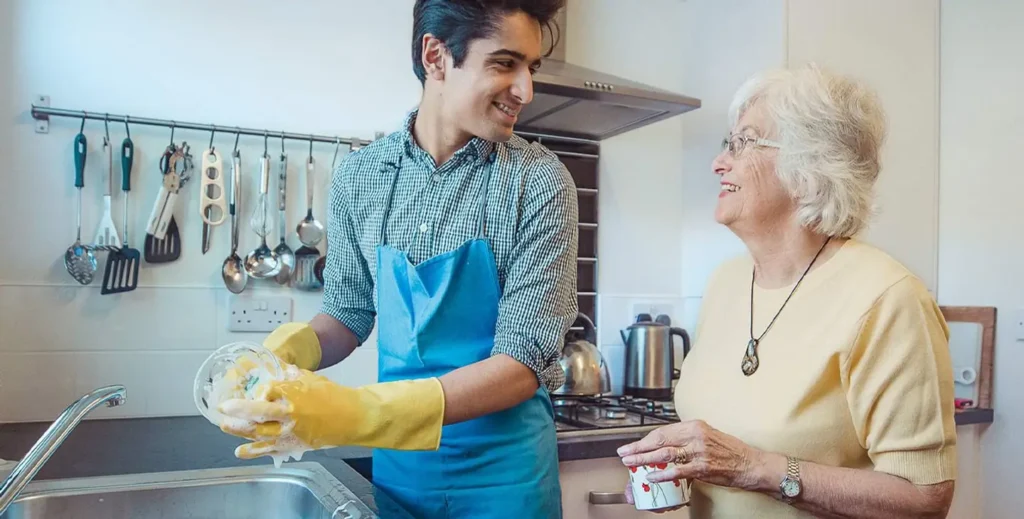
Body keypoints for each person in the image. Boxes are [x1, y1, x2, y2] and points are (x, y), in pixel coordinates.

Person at [216, 1, 576, 518]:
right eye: (504, 63)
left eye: (530, 68)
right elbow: (348, 313)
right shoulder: (360, 177)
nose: (526, 90)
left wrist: (359, 412)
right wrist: (283, 357)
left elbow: (522, 364)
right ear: (436, 56)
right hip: (401, 475)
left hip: (507, 482)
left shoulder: (538, 182)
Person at [616, 64, 957, 518]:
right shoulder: (726, 283)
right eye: (727, 144)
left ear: (811, 163)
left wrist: (755, 469)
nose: (720, 162)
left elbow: (924, 500)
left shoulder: (888, 298)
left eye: (745, 143)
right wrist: (677, 470)